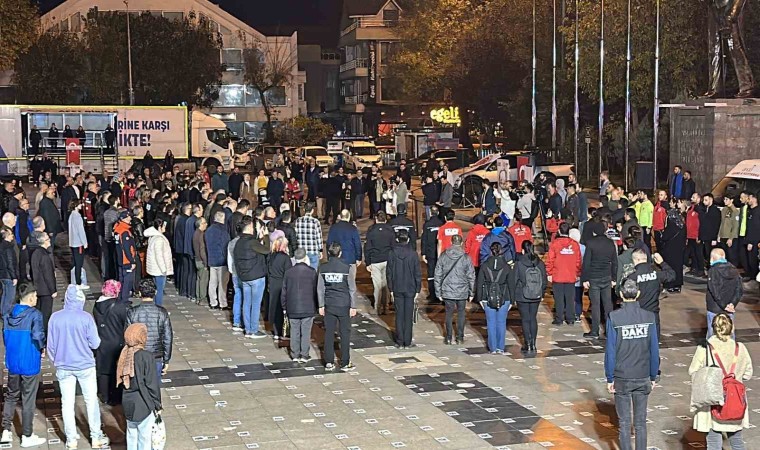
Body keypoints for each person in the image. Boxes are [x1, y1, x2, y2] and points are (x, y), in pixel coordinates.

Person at [47, 285, 110, 450]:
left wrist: (57, 360)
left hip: (63, 366)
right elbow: (95, 343)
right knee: (91, 401)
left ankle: (71, 440)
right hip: (85, 365)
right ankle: (96, 437)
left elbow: (51, 346)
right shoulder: (86, 317)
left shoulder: (55, 317)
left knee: (67, 403)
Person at [604, 279, 659, 450]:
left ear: (621, 294)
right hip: (642, 375)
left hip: (622, 376)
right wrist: (653, 375)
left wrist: (609, 376)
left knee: (624, 422)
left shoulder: (614, 317)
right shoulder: (649, 317)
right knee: (641, 422)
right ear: (638, 294)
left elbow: (611, 350)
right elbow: (654, 350)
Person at [688, 314, 752, 450]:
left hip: (713, 403)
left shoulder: (705, 349)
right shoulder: (740, 348)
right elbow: (748, 374)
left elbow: (693, 372)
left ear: (714, 329)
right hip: (735, 402)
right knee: (737, 441)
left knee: (713, 442)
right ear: (732, 328)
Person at [0, 283, 47, 448]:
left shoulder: (8, 315)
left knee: (11, 395)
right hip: (29, 362)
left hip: (12, 361)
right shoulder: (35, 315)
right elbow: (38, 335)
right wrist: (42, 348)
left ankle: (5, 430)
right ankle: (27, 435)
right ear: (31, 296)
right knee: (28, 399)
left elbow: (5, 338)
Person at [117, 323, 163, 450]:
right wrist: (157, 404)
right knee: (144, 437)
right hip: (143, 403)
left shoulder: (124, 354)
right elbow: (151, 383)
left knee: (131, 435)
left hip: (127, 402)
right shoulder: (146, 356)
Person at [318, 243, 357, 371]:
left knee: (329, 332)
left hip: (329, 304)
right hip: (344, 304)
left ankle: (329, 361)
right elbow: (352, 289)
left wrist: (321, 305)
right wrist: (353, 306)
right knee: (345, 333)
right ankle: (345, 362)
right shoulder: (347, 268)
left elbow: (320, 289)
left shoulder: (323, 268)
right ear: (340, 253)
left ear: (329, 253)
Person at [126, 279, 173, 384]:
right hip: (155, 356)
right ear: (155, 292)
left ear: (139, 293)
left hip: (137, 356)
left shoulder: (132, 312)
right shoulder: (162, 312)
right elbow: (167, 338)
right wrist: (166, 359)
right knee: (154, 388)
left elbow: (128, 337)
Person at [435, 234, 476, 345]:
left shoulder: (444, 256)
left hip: (447, 290)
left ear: (451, 242)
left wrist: (438, 291)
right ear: (461, 243)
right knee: (461, 313)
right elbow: (471, 276)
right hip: (462, 290)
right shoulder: (466, 257)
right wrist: (472, 292)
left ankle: (448, 337)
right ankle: (460, 337)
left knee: (449, 314)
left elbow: (438, 274)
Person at [93, 280, 128, 406]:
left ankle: (104, 395)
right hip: (116, 342)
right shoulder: (120, 306)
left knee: (103, 371)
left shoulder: (97, 305)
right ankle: (115, 396)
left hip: (102, 342)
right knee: (116, 369)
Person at [581, 220, 618, 339]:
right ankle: (609, 330)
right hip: (607, 277)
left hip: (594, 277)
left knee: (595, 305)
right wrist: (614, 278)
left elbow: (586, 263)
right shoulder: (610, 243)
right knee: (608, 304)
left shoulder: (590, 243)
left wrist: (585, 279)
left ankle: (595, 330)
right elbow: (615, 262)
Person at [234, 218, 270, 338]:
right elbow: (266, 250)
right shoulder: (252, 242)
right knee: (255, 304)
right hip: (256, 277)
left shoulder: (239, 242)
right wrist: (265, 237)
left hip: (244, 277)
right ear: (249, 227)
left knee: (246, 303)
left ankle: (248, 329)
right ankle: (254, 330)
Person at [477, 242, 516, 354]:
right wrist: (512, 300)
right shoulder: (507, 266)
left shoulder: (485, 265)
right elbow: (511, 285)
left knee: (491, 323)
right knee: (501, 322)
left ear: (490, 251)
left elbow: (479, 282)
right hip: (505, 297)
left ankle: (493, 348)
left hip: (487, 296)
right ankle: (501, 347)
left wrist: (480, 298)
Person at [386, 229, 422, 349]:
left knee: (399, 314)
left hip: (397, 287)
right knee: (408, 315)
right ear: (408, 239)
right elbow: (417, 273)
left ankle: (400, 341)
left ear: (397, 239)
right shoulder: (413, 254)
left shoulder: (392, 254)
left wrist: (390, 288)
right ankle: (408, 340)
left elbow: (389, 273)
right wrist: (418, 289)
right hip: (410, 287)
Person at [281, 248, 318, 362]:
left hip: (292, 307)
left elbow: (284, 291)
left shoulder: (288, 272)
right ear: (305, 257)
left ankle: (295, 354)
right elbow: (316, 290)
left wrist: (284, 307)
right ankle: (304, 355)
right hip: (308, 307)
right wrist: (317, 305)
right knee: (305, 332)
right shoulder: (312, 271)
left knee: (294, 331)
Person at [515, 240, 547, 356]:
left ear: (523, 250)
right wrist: (542, 293)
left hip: (522, 294)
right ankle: (533, 343)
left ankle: (527, 343)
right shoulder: (540, 263)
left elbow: (514, 280)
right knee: (533, 318)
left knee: (525, 319)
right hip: (536, 294)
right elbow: (544, 279)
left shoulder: (519, 263)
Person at [546, 222, 582, 325]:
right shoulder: (574, 245)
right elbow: (578, 260)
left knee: (559, 298)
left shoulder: (555, 244)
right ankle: (570, 318)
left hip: (558, 275)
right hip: (571, 275)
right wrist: (578, 273)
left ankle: (559, 319)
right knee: (570, 298)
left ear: (559, 231)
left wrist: (549, 272)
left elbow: (550, 259)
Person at [706, 248, 742, 339]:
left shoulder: (713, 271)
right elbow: (739, 290)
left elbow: (714, 290)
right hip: (730, 309)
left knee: (713, 334)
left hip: (715, 308)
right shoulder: (734, 270)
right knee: (729, 332)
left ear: (712, 258)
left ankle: (713, 352)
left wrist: (723, 305)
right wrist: (732, 304)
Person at [364, 211, 394, 314]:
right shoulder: (390, 230)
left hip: (375, 260)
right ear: (385, 219)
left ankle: (377, 307)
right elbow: (393, 246)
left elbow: (367, 247)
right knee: (385, 284)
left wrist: (367, 262)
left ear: (376, 219)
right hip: (387, 260)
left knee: (377, 285)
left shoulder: (371, 230)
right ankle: (386, 307)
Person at [326, 209, 362, 286]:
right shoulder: (352, 228)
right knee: (351, 283)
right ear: (349, 217)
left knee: (338, 284)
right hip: (350, 259)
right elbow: (357, 244)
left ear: (340, 217)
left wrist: (329, 257)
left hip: (337, 259)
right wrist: (358, 258)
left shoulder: (333, 227)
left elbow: (329, 243)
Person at [28, 232, 56, 330]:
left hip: (38, 288)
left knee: (38, 311)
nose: (49, 241)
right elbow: (48, 275)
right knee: (46, 315)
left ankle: (37, 331)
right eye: (48, 239)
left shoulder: (35, 253)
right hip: (46, 290)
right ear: (44, 242)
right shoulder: (45, 256)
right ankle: (44, 335)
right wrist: (53, 290)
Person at [268, 236, 292, 341]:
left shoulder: (271, 256)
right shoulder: (285, 258)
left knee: (273, 307)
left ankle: (275, 331)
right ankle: (283, 331)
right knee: (282, 308)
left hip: (273, 283)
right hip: (282, 283)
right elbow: (289, 273)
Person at [144, 218, 172, 307]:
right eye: (163, 225)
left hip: (154, 268)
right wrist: (164, 269)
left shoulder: (153, 237)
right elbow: (159, 256)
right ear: (160, 227)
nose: (165, 227)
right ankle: (159, 308)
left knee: (156, 289)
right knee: (159, 290)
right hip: (159, 269)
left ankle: (156, 306)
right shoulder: (159, 239)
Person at [206, 211, 230, 310]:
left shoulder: (208, 230)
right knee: (222, 283)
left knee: (212, 282)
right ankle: (222, 303)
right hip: (221, 261)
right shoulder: (223, 231)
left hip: (211, 259)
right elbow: (226, 245)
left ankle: (213, 302)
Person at [421, 205, 444, 300]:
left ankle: (432, 294)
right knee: (441, 273)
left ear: (430, 213)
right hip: (441, 252)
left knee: (431, 273)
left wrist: (423, 253)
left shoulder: (427, 224)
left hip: (430, 252)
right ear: (438, 213)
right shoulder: (442, 224)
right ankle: (440, 293)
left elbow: (424, 240)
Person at [115, 210, 138, 303]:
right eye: (128, 217)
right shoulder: (124, 231)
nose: (130, 219)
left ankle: (120, 298)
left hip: (120, 259)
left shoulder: (117, 228)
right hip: (126, 260)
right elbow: (126, 248)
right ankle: (124, 300)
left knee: (121, 279)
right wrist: (132, 261)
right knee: (127, 281)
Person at [295, 202, 323, 269]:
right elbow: (319, 238)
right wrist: (321, 250)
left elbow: (296, 235)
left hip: (301, 251)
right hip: (313, 251)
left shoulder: (298, 221)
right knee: (313, 273)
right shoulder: (315, 222)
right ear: (312, 210)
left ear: (304, 209)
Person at [67, 199, 88, 289]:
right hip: (78, 243)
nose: (81, 205)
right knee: (79, 263)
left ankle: (75, 281)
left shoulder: (71, 215)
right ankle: (78, 282)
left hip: (72, 242)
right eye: (80, 204)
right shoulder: (78, 216)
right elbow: (81, 231)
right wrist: (85, 242)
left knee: (76, 263)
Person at [718, 195, 740, 266]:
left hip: (730, 236)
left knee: (732, 256)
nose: (725, 201)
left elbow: (735, 226)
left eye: (726, 199)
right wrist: (719, 235)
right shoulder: (724, 210)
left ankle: (733, 272)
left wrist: (731, 238)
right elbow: (721, 223)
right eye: (724, 199)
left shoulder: (735, 211)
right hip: (723, 235)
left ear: (731, 200)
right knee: (724, 255)